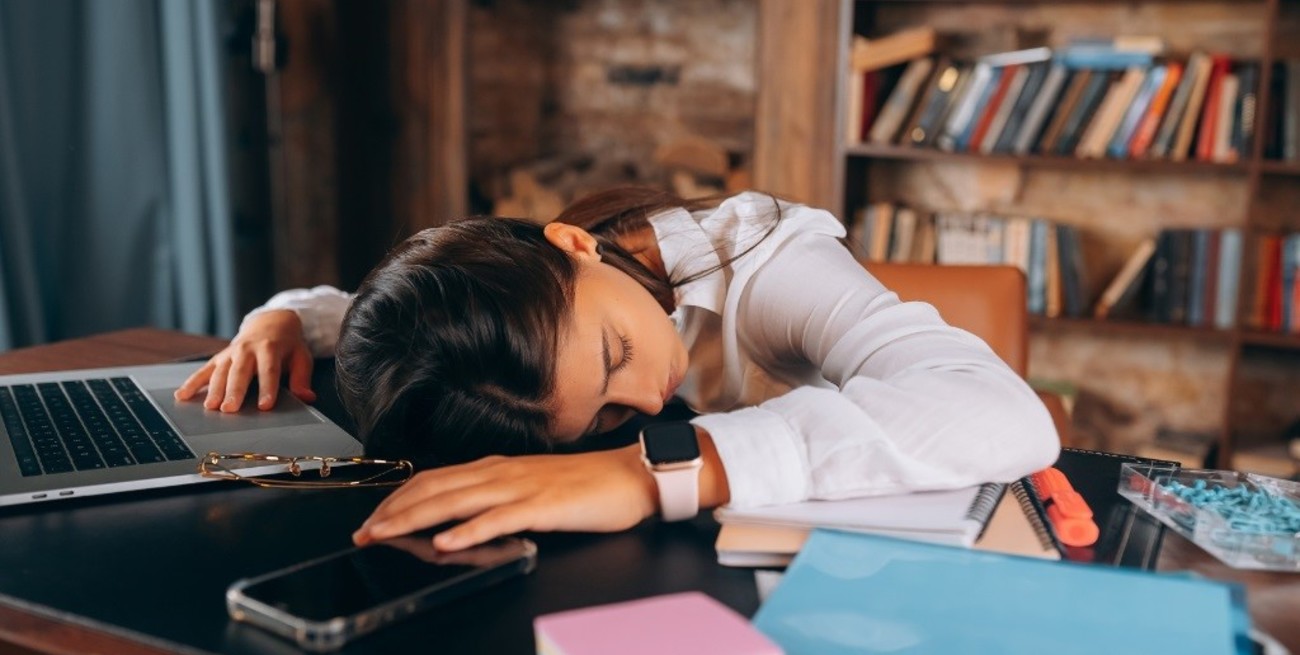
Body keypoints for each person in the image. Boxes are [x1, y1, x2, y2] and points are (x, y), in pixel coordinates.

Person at [175, 188, 1059, 552]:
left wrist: (649, 467)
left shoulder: (770, 258)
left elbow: (1006, 414)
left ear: (573, 245)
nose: (650, 397)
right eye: (603, 414)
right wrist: (287, 316)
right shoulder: (533, 306)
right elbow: (386, 310)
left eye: (616, 354)